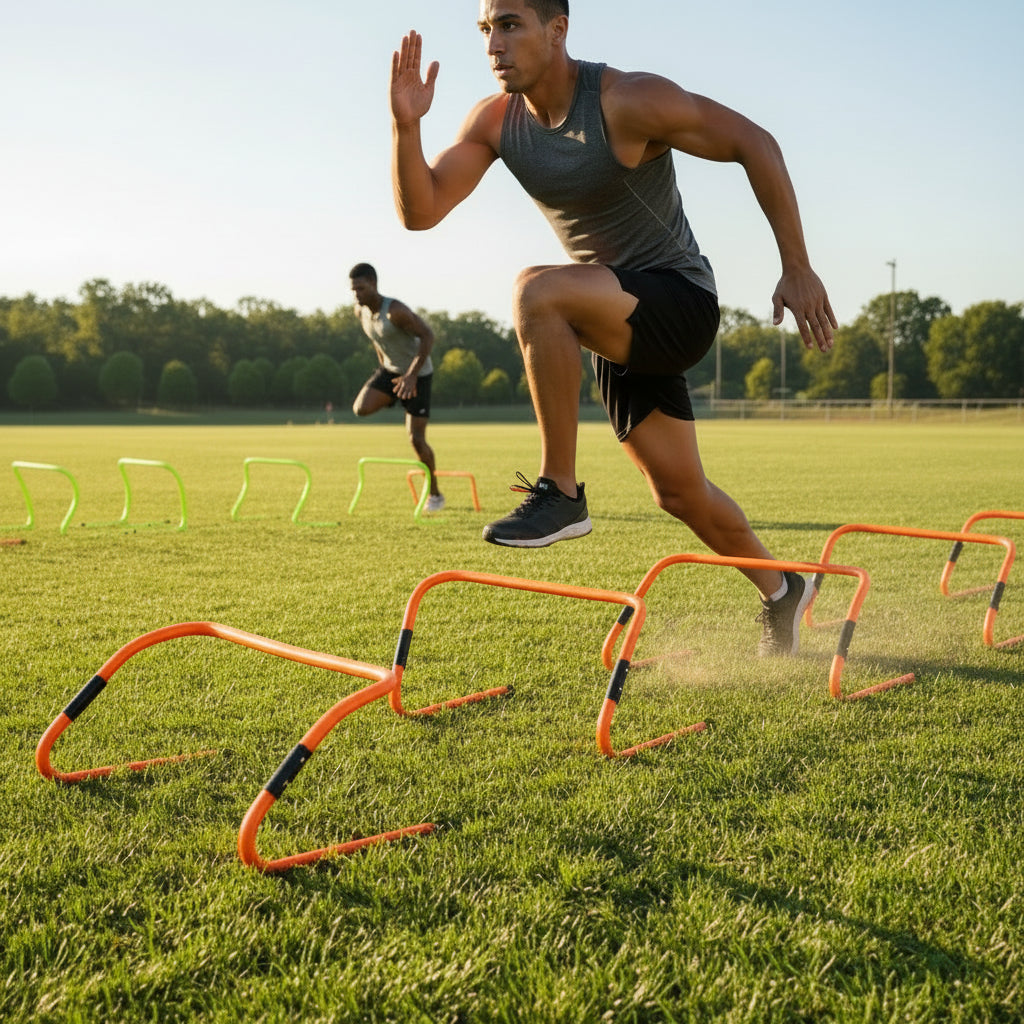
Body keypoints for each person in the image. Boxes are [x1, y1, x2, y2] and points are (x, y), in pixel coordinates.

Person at [387, 2, 838, 655]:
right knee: (679, 493)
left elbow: (754, 142)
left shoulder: (627, 101)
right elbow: (421, 210)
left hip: (679, 300)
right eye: (486, 28)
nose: (494, 43)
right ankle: (782, 590)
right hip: (606, 313)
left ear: (557, 30)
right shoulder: (494, 121)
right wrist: (406, 128)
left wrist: (797, 266)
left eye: (510, 24)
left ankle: (561, 491)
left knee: (535, 292)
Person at [350, 262, 444, 512]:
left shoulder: (396, 311)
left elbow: (428, 336)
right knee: (361, 408)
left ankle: (435, 495)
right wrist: (384, 369)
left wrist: (411, 376)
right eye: (353, 290)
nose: (356, 294)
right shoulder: (360, 312)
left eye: (360, 288)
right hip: (390, 372)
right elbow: (377, 340)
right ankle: (396, 396)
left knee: (416, 439)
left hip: (418, 375)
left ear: (373, 283)